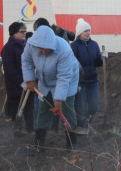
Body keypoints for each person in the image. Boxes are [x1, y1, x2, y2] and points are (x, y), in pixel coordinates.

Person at [22, 25, 79, 153]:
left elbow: (64, 77)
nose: (42, 51)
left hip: (67, 81)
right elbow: (26, 62)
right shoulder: (31, 45)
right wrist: (30, 79)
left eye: (46, 49)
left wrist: (58, 100)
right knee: (43, 111)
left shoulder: (64, 49)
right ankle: (39, 146)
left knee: (67, 110)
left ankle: (71, 145)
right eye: (40, 49)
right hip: (45, 81)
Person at [70, 18, 106, 134]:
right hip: (81, 81)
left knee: (94, 106)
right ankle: (83, 128)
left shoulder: (94, 44)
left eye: (89, 30)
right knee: (81, 106)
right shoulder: (74, 46)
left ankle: (86, 124)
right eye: (85, 31)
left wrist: (103, 58)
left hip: (93, 80)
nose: (88, 33)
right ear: (79, 32)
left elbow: (98, 63)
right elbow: (72, 64)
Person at [1, 22, 34, 134]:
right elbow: (9, 69)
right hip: (15, 85)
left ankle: (30, 129)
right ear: (14, 33)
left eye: (25, 31)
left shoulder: (27, 45)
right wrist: (21, 82)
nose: (24, 33)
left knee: (29, 109)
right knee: (16, 109)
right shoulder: (8, 48)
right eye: (21, 31)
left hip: (28, 83)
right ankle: (17, 130)